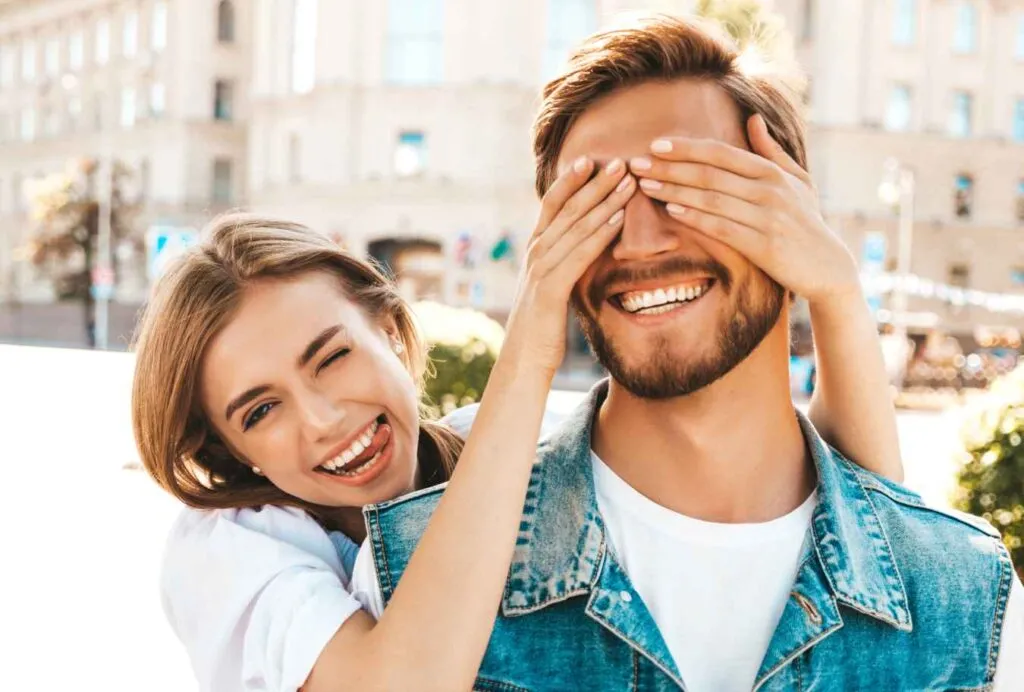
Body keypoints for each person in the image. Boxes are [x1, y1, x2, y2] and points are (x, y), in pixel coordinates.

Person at [350, 14, 1024, 692]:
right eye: (596, 203)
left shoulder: (968, 600)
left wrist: (837, 289)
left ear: (791, 220)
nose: (638, 242)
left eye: (688, 188)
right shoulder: (405, 578)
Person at [139, 156, 906, 692]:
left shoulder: (501, 454)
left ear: (388, 326)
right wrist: (532, 335)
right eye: (261, 410)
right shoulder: (230, 550)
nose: (323, 419)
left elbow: (862, 515)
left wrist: (835, 290)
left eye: (331, 357)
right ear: (226, 448)